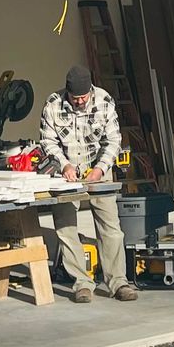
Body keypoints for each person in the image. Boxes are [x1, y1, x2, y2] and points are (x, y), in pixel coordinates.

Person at [38, 64, 138, 303]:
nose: (80, 102)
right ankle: (82, 283)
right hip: (66, 173)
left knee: (110, 227)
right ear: (68, 93)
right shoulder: (52, 105)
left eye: (84, 97)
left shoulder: (104, 101)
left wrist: (101, 168)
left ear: (90, 91)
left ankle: (118, 282)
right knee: (65, 227)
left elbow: (114, 140)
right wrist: (64, 165)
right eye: (75, 98)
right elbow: (48, 142)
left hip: (98, 167)